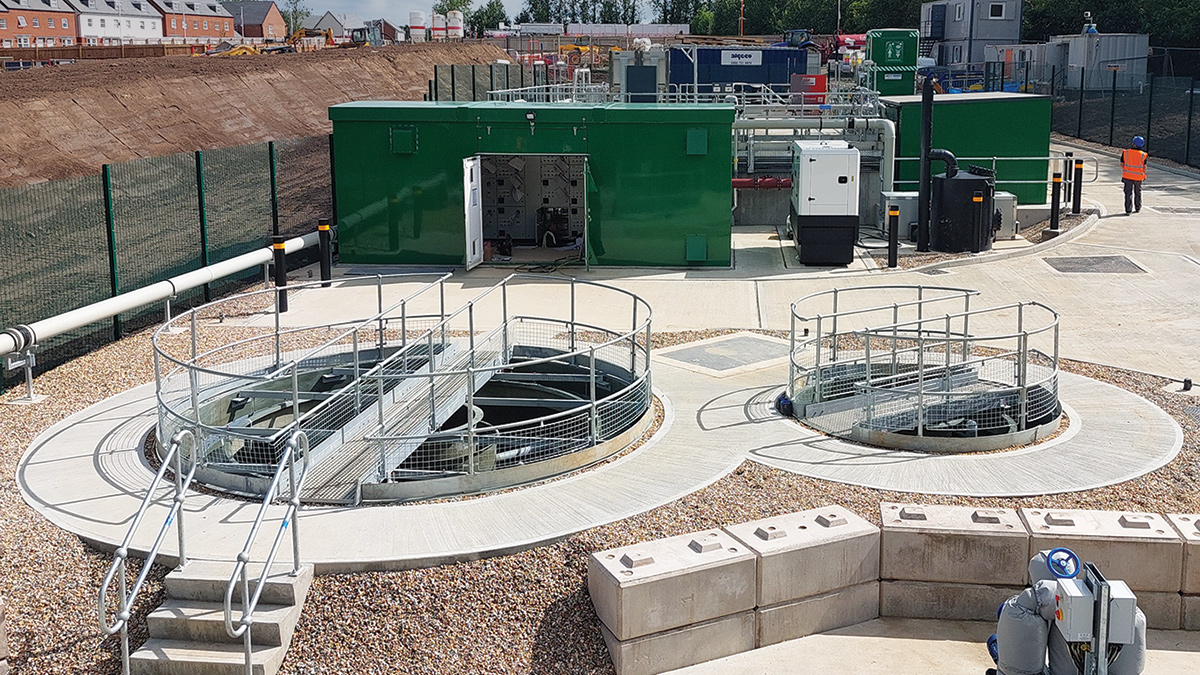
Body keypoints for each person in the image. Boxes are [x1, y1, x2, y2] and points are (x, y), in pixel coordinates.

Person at [1121, 136, 1148, 215]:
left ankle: (1128, 210)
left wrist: (1126, 169)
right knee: (1138, 192)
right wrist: (1143, 174)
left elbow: (1122, 164)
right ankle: (1137, 207)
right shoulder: (1143, 154)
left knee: (1128, 193)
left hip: (1127, 176)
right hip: (1138, 177)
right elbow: (1144, 166)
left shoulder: (1126, 152)